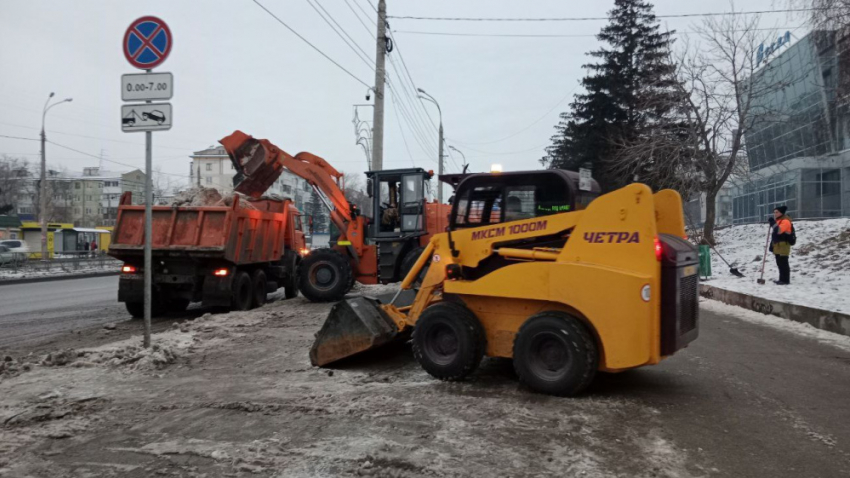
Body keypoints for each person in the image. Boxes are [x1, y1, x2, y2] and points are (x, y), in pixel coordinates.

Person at [769, 205, 793, 285]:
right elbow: (775, 234)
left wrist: (772, 223)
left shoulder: (785, 221)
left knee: (783, 263)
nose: (775, 214)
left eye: (776, 212)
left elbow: (778, 231)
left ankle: (785, 280)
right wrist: (771, 245)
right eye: (774, 212)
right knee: (779, 263)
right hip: (777, 245)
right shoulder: (779, 221)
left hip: (783, 244)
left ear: (781, 213)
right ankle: (781, 279)